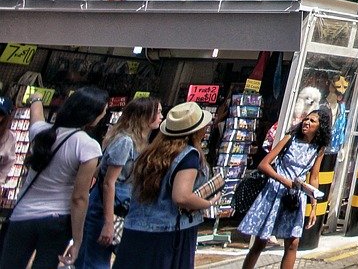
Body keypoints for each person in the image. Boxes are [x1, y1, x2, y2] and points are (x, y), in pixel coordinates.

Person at [1, 86, 107, 269]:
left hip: (22, 216)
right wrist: (77, 241)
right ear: (93, 115)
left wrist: (36, 98)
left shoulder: (41, 132)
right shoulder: (88, 146)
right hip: (57, 221)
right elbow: (79, 198)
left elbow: (36, 112)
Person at [115, 102, 220, 269]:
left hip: (136, 228)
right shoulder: (188, 156)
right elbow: (182, 197)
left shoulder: (150, 152)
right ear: (197, 130)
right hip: (169, 232)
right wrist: (207, 203)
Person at [77, 97, 164, 269]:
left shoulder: (138, 141)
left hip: (117, 209)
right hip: (105, 210)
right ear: (145, 116)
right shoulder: (125, 142)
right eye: (158, 112)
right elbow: (109, 183)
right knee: (95, 261)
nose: (162, 116)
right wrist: (108, 223)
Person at [239, 108, 330, 269]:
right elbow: (264, 164)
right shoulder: (290, 138)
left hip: (295, 197)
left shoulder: (319, 148)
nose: (306, 123)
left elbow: (314, 177)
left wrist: (313, 205)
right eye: (306, 119)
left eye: (312, 121)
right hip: (274, 193)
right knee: (260, 242)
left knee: (292, 243)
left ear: (320, 126)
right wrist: (285, 181)